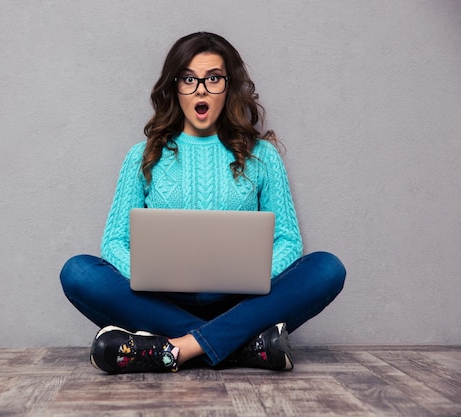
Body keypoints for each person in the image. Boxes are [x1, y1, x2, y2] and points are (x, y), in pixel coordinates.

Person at [60, 32, 346, 374]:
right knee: (78, 272)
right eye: (189, 79)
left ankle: (176, 347)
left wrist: (253, 277)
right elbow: (114, 243)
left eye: (213, 79)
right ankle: (241, 347)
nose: (201, 89)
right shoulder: (143, 156)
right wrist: (150, 277)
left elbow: (288, 240)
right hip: (160, 301)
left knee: (327, 267)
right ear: (174, 87)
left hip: (243, 302)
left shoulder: (263, 156)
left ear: (228, 86)